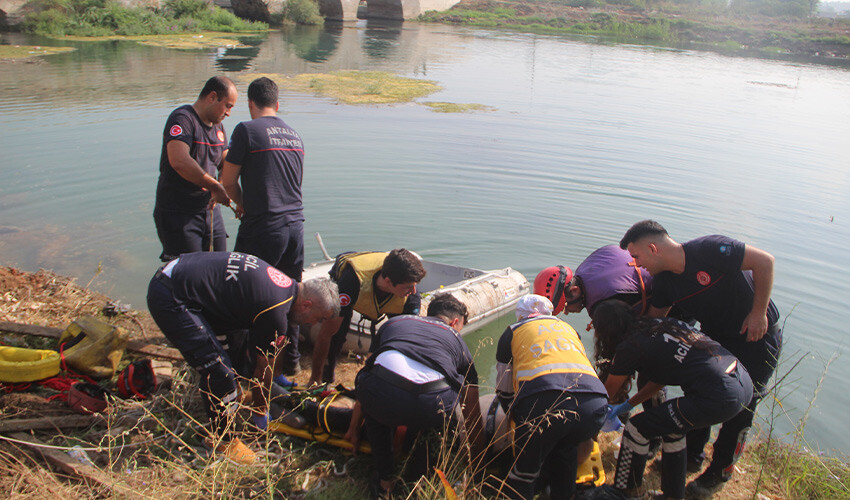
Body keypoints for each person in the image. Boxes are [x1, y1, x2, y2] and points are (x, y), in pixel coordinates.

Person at [619, 220, 781, 496]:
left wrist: (758, 313)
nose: (636, 265)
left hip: (756, 336)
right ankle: (693, 455)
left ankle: (720, 472)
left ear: (654, 248)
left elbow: (765, 262)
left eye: (637, 257)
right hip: (717, 342)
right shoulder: (665, 284)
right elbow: (653, 322)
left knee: (742, 409)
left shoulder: (710, 250)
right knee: (699, 394)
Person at [146, 251, 339, 464]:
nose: (312, 324)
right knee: (220, 372)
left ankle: (231, 397)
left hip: (183, 278)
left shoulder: (284, 287)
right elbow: (264, 370)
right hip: (172, 297)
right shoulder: (275, 311)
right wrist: (260, 412)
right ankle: (223, 440)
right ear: (307, 305)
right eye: (317, 319)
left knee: (234, 356)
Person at [591, 300, 753, 500]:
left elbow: (607, 393)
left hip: (719, 394)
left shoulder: (629, 346)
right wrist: (629, 404)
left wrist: (590, 410)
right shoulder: (662, 325)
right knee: (672, 427)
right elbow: (660, 380)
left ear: (606, 331)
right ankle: (672, 496)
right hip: (742, 380)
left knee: (637, 427)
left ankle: (626, 491)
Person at [343, 294, 484, 498]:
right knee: (447, 420)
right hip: (430, 405)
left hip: (380, 395)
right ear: (455, 322)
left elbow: (371, 371)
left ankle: (385, 481)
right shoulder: (458, 343)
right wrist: (478, 461)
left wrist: (354, 428)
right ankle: (421, 480)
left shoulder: (395, 322)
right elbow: (471, 410)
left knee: (373, 392)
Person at [221, 76, 305, 376]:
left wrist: (240, 203)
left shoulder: (246, 130)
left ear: (250, 104)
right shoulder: (294, 135)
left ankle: (244, 368)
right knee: (290, 296)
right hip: (295, 226)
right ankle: (291, 364)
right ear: (278, 104)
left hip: (263, 227)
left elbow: (227, 182)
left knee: (245, 294)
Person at [494, 294, 608, 500]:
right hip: (595, 404)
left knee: (523, 474)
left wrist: (516, 419)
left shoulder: (513, 331)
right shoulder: (569, 329)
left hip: (543, 404)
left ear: (520, 316)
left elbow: (504, 387)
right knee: (566, 454)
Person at [308, 249, 426, 385]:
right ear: (388, 282)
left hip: (384, 286)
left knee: (396, 336)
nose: (413, 291)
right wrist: (315, 378)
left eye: (415, 286)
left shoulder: (411, 296)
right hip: (354, 278)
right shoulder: (351, 281)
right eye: (408, 287)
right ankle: (324, 378)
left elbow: (408, 341)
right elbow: (326, 333)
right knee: (338, 333)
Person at [153, 76, 237, 262]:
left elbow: (225, 161)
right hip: (180, 214)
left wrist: (224, 186)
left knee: (219, 265)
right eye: (228, 106)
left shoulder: (219, 128)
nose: (229, 113)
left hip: (208, 212)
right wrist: (215, 187)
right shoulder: (183, 119)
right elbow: (180, 161)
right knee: (189, 274)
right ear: (212, 97)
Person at [533, 245, 653, 319]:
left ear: (575, 290)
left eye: (565, 308)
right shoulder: (585, 267)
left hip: (667, 305)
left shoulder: (603, 305)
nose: (566, 313)